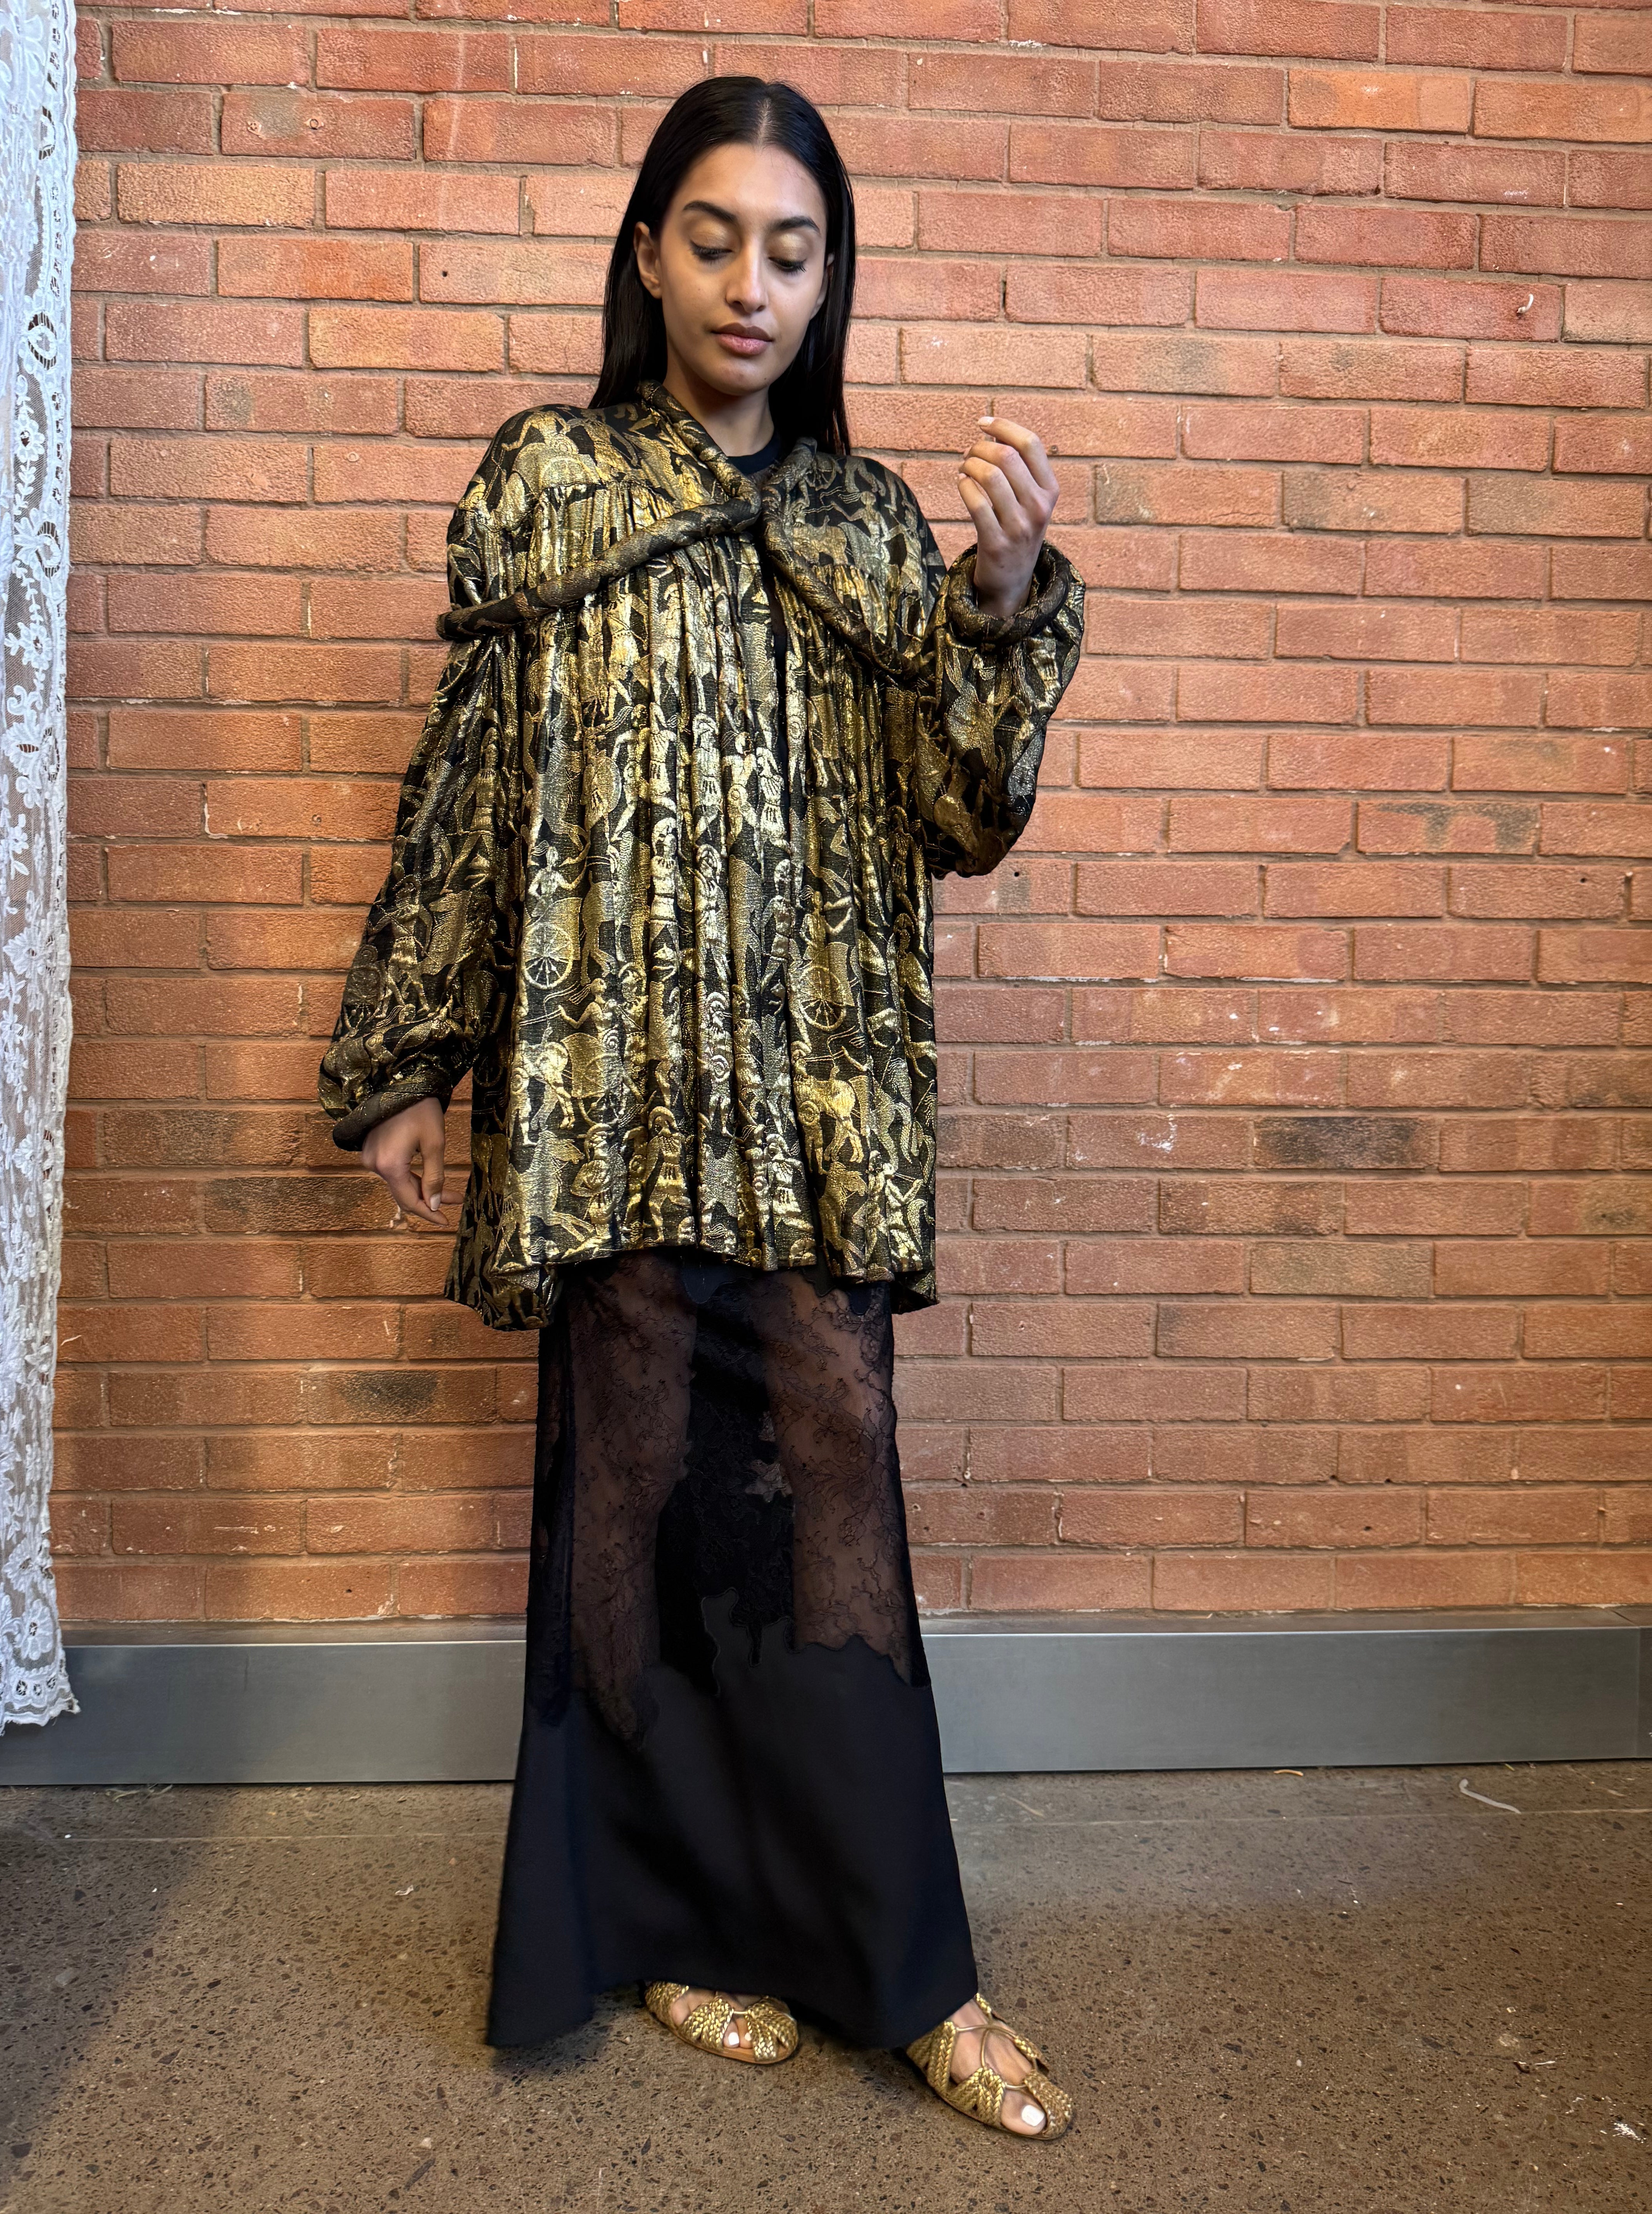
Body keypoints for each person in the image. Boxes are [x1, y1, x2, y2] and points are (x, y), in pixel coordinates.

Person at [317, 75, 1085, 2141]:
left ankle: (907, 1964)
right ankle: (665, 1922)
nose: (753, 283)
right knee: (632, 1490)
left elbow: (961, 814)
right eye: (716, 237)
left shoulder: (869, 530)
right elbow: (475, 785)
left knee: (834, 1478)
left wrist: (1000, 601)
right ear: (648, 253)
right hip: (607, 1090)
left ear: (832, 284)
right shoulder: (552, 485)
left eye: (794, 250)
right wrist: (412, 1064)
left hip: (811, 1093)